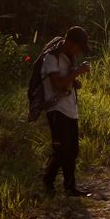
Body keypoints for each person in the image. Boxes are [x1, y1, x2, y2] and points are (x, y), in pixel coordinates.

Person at [42, 26, 91, 196]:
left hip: (70, 107)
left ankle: (56, 183)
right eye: (78, 46)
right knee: (62, 148)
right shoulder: (51, 58)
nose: (79, 51)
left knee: (72, 149)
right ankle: (63, 185)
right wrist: (77, 72)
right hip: (56, 108)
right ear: (70, 42)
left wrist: (75, 80)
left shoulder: (70, 57)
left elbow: (67, 81)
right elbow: (57, 84)